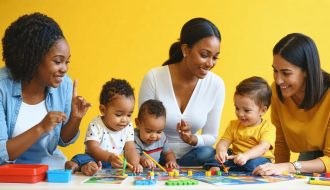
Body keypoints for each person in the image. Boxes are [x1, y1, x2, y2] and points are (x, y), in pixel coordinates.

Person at [0, 13, 91, 169]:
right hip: (11, 175)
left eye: (67, 61)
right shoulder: (3, 87)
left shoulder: (64, 84)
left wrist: (75, 118)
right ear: (34, 57)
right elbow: (1, 153)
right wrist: (41, 127)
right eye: (58, 61)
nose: (64, 69)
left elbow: (63, 140)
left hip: (50, 170)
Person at [138, 17, 225, 167]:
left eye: (215, 57)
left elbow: (211, 136)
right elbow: (141, 127)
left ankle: (178, 167)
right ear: (185, 50)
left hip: (192, 156)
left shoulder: (216, 85)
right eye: (204, 55)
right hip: (156, 153)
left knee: (208, 152)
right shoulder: (154, 77)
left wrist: (192, 139)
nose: (210, 63)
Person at [253, 33, 330, 175]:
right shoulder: (278, 92)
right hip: (309, 156)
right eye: (275, 71)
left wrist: (290, 167)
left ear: (306, 71)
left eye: (286, 73)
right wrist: (274, 174)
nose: (278, 80)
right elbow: (280, 142)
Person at [65, 79, 143, 176]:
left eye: (129, 115)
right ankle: (77, 165)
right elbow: (92, 148)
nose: (125, 120)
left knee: (123, 163)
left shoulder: (128, 126)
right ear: (103, 110)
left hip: (113, 164)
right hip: (95, 158)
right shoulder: (96, 124)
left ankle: (87, 167)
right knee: (82, 158)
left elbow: (130, 148)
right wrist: (109, 157)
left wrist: (135, 164)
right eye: (119, 115)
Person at [206, 77, 275, 172]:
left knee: (253, 164)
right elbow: (223, 142)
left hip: (258, 158)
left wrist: (246, 156)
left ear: (262, 110)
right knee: (215, 155)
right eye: (237, 108)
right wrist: (221, 151)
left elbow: (263, 148)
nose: (240, 114)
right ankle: (218, 166)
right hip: (236, 157)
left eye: (246, 110)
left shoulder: (268, 128)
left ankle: (231, 168)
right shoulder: (233, 124)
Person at [134, 99, 179, 169]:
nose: (154, 136)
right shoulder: (133, 138)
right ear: (138, 123)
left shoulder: (162, 137)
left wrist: (171, 161)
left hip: (153, 171)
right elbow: (132, 155)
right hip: (136, 170)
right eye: (148, 131)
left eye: (159, 132)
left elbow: (169, 153)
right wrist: (142, 159)